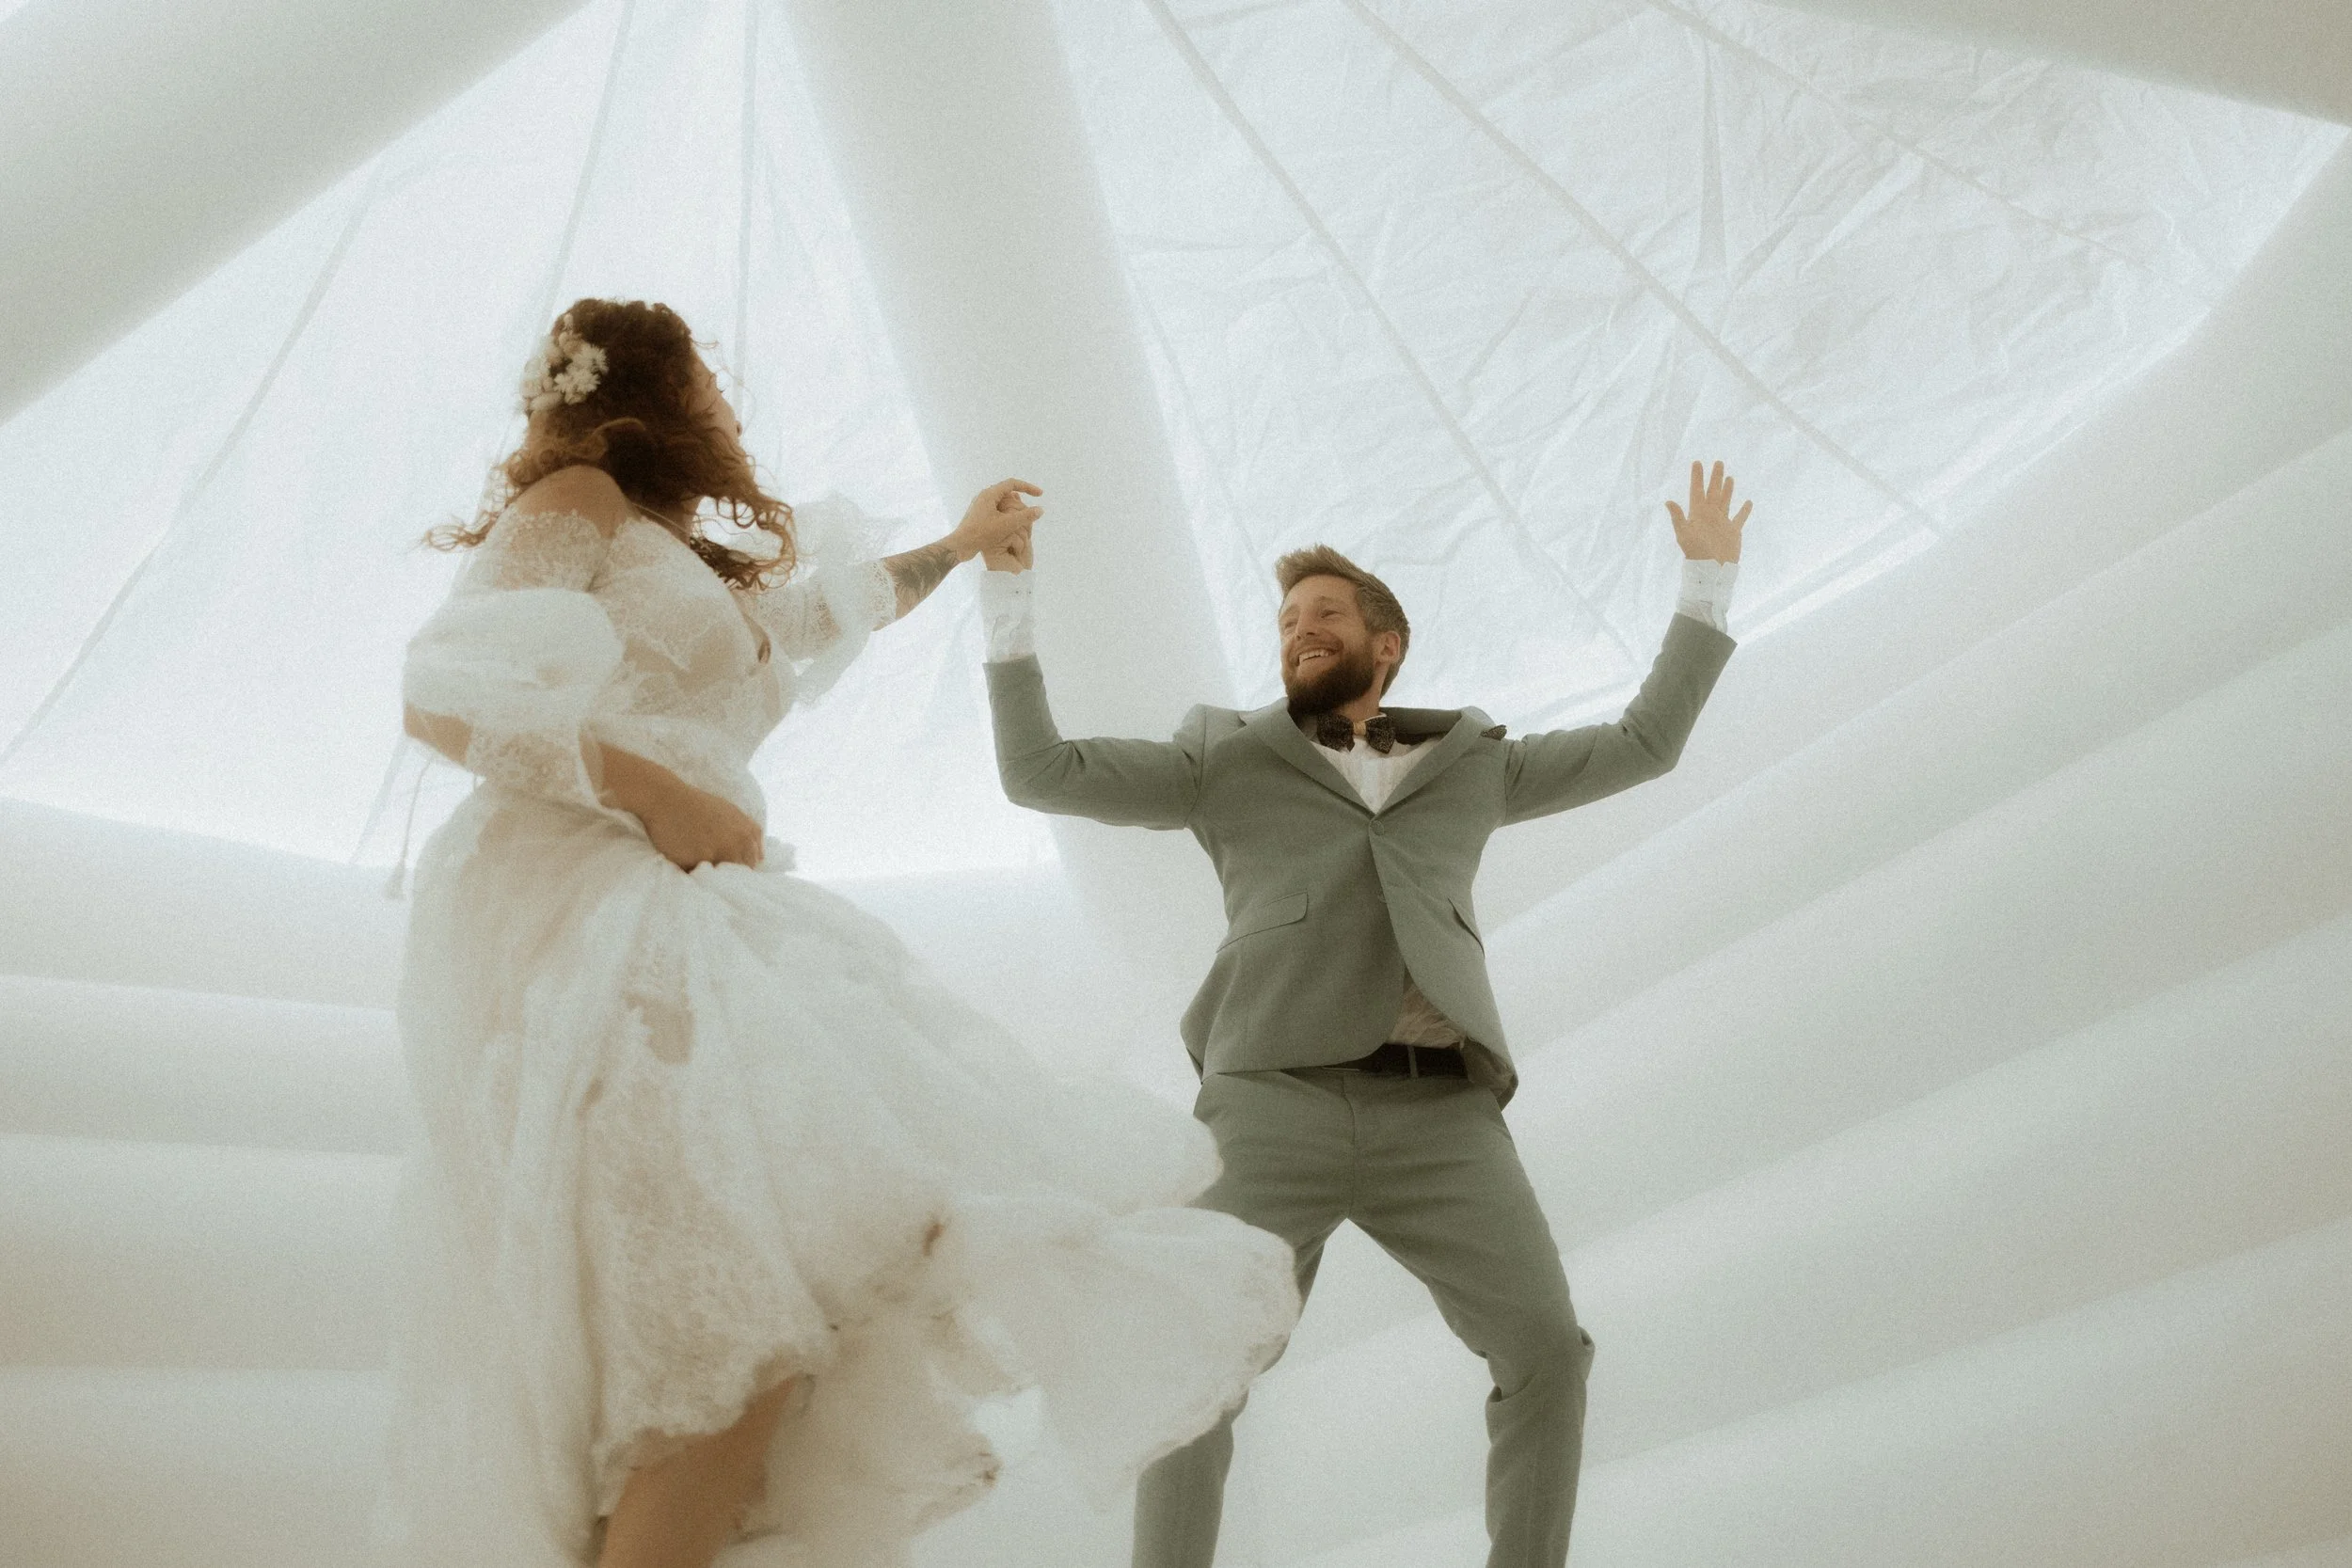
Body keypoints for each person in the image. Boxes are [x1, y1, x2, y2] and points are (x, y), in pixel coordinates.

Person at [375, 296, 1299, 1568]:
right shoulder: (581, 497)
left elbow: (825, 612)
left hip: (682, 900)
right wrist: (660, 792)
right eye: (708, 381)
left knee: (802, 1264)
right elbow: (442, 695)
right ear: (659, 393)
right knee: (738, 1296)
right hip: (590, 894)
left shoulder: (671, 558)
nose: (724, 405)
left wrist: (964, 546)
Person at [975, 462, 1749, 1568]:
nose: (1298, 630)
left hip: (1441, 1119)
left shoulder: (1474, 761)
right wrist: (1009, 601)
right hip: (1268, 1099)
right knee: (1199, 1366)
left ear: (1384, 644)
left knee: (1545, 1348)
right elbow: (1040, 770)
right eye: (1286, 619)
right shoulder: (1224, 755)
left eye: (1324, 613)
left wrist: (1705, 583)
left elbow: (1642, 744)